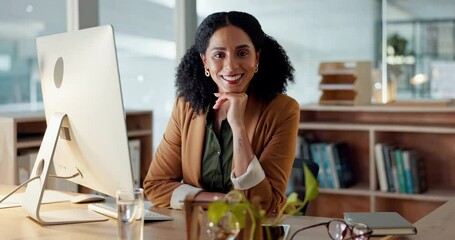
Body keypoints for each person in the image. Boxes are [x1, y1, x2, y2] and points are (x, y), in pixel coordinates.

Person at [143, 11, 299, 214]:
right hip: (195, 230)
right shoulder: (186, 107)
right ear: (205, 62)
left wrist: (238, 126)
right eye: (219, 55)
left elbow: (264, 205)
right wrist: (226, 202)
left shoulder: (282, 110)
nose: (231, 65)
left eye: (242, 53)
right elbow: (156, 186)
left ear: (257, 58)